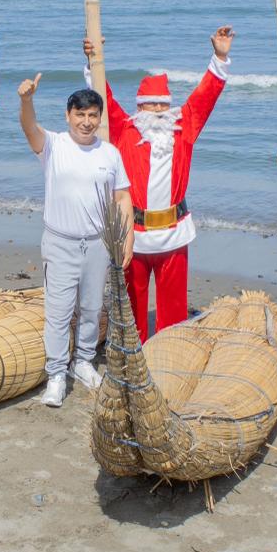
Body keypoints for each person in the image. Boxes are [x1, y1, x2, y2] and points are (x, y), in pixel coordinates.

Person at [82, 26, 233, 340]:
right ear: (140, 108)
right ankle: (131, 352)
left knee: (174, 310)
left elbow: (205, 96)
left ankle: (169, 351)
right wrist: (94, 59)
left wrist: (219, 56)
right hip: (132, 237)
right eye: (152, 105)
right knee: (131, 307)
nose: (160, 111)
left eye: (164, 105)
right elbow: (103, 97)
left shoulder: (184, 128)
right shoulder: (123, 129)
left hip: (173, 235)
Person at [19, 73, 132, 407]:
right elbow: (29, 128)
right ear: (68, 116)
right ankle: (55, 374)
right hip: (60, 241)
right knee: (59, 311)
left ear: (100, 117)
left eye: (93, 115)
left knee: (92, 308)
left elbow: (122, 197)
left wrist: (127, 240)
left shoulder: (109, 153)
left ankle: (82, 362)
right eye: (80, 115)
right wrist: (26, 100)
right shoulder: (53, 145)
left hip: (97, 243)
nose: (86, 121)